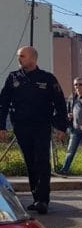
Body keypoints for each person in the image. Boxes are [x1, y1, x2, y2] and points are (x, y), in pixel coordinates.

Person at [0, 46, 68, 214]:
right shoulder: (13, 78)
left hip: (41, 126)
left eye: (22, 56)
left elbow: (60, 103)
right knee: (30, 162)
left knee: (42, 161)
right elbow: (3, 103)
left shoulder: (47, 79)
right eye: (18, 56)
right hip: (21, 127)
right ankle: (36, 196)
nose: (19, 59)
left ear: (33, 59)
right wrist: (1, 126)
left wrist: (61, 126)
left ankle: (43, 200)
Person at [58, 77, 82, 178]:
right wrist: (69, 115)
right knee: (70, 150)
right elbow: (68, 111)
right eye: (76, 85)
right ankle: (64, 170)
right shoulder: (73, 97)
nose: (78, 87)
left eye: (80, 84)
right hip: (75, 129)